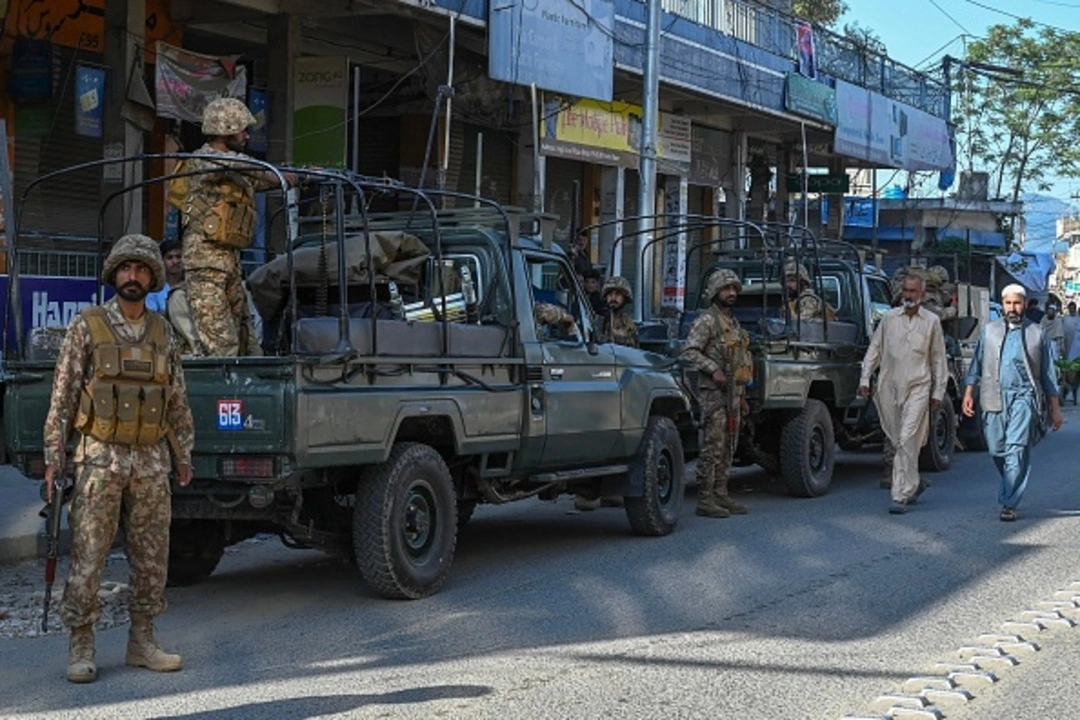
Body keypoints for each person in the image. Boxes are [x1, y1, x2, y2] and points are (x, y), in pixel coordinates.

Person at [42, 234, 195, 683]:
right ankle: (81, 644)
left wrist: (183, 452)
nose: (133, 277)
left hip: (150, 460)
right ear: (115, 275)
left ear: (152, 277)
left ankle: (142, 641)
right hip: (99, 461)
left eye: (142, 270)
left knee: (152, 559)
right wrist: (55, 456)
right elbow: (64, 394)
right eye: (126, 269)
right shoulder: (88, 326)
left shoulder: (163, 331)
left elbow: (177, 398)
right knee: (89, 556)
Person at [180, 97, 296, 357]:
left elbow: (265, 179)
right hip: (205, 262)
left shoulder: (239, 169)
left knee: (246, 341)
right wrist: (271, 171)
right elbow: (236, 165)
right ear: (226, 130)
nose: (246, 136)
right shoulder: (203, 160)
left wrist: (299, 176)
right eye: (242, 129)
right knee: (221, 344)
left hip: (229, 261)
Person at [962, 284, 1063, 522]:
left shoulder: (1037, 333)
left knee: (1016, 448)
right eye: (1008, 303)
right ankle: (1010, 481)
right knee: (998, 448)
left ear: (1025, 304)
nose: (1012, 308)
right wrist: (968, 393)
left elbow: (1048, 375)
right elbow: (976, 365)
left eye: (1017, 303)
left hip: (1024, 397)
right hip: (993, 396)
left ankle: (1009, 502)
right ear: (1003, 304)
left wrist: (1055, 409)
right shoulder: (990, 331)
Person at [859, 273, 947, 514]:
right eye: (906, 291)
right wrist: (865, 378)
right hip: (889, 388)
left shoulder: (931, 322)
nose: (909, 295)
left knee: (908, 438)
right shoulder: (888, 319)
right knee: (900, 441)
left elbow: (938, 359)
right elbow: (874, 350)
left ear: (922, 294)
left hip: (919, 386)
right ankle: (913, 483)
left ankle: (899, 495)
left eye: (913, 292)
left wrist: (938, 391)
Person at [681, 269, 754, 518]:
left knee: (729, 446)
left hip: (734, 394)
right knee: (713, 446)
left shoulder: (733, 323)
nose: (731, 293)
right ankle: (705, 498)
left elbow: (740, 360)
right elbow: (689, 351)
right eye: (726, 289)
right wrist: (713, 370)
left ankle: (721, 493)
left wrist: (742, 398)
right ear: (715, 292)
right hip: (713, 394)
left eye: (734, 289)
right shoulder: (707, 321)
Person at [595, 276, 639, 348]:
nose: (613, 298)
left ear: (625, 297)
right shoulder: (599, 319)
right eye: (610, 294)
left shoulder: (629, 324)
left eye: (617, 294)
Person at [145, 239, 183, 313]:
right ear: (162, 261)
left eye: (178, 257)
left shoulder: (191, 286)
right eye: (169, 258)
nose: (175, 262)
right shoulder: (155, 290)